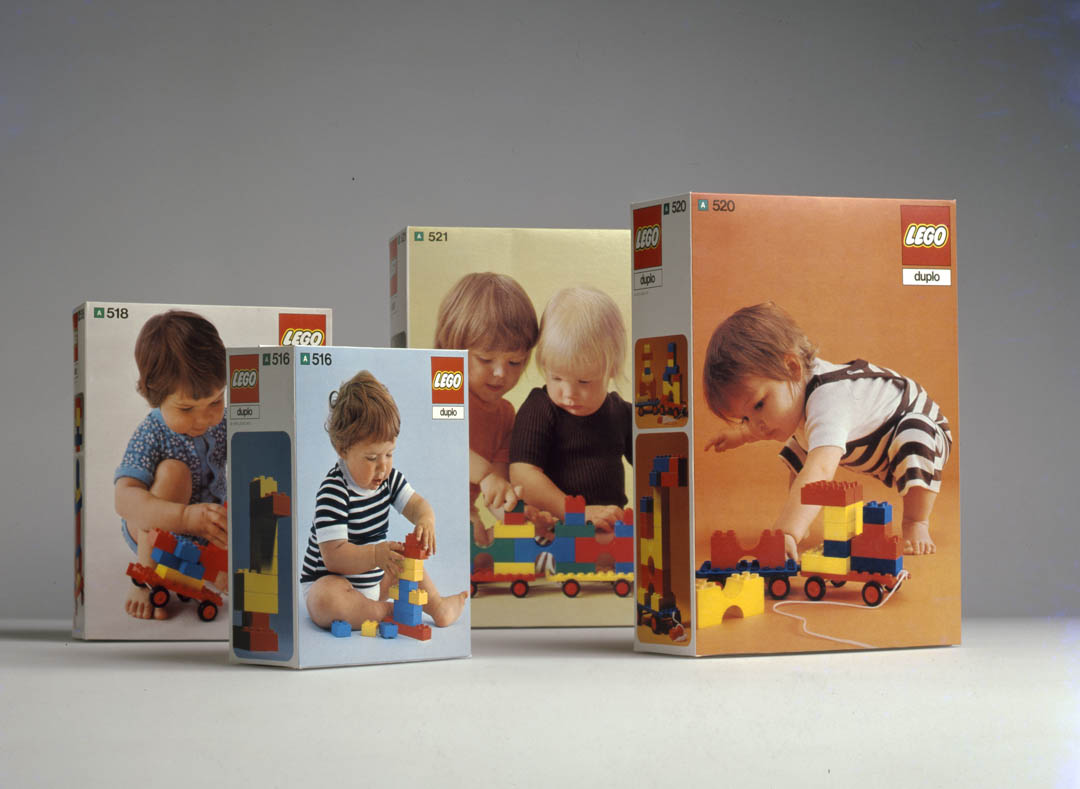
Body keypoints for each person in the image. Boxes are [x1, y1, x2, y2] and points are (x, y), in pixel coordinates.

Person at [702, 302, 951, 557]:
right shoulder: (796, 394)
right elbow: (761, 426)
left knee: (914, 435)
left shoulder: (829, 399)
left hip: (917, 426)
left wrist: (785, 532)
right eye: (744, 418)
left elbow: (820, 469)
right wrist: (741, 435)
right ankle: (799, 518)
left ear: (792, 368)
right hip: (870, 446)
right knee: (797, 448)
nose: (757, 424)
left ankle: (916, 522)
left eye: (759, 405)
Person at [299, 370, 467, 630]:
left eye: (389, 454)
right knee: (325, 599)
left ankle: (437, 605)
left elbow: (417, 505)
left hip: (376, 582)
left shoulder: (389, 480)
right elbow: (334, 557)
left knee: (405, 561)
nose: (383, 467)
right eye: (371, 458)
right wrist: (376, 555)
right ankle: (386, 611)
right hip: (335, 584)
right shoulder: (334, 490)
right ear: (343, 450)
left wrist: (426, 520)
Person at [114, 311, 228, 620]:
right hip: (155, 532)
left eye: (216, 402)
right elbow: (123, 499)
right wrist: (184, 517)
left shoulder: (224, 424)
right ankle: (144, 580)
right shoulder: (152, 432)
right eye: (187, 408)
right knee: (173, 473)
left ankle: (205, 566)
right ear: (155, 395)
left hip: (206, 529)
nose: (204, 419)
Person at [509, 287, 631, 532]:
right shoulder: (540, 409)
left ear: (612, 369)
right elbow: (523, 475)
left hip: (608, 528)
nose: (568, 393)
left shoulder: (620, 413)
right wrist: (576, 512)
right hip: (555, 528)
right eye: (556, 378)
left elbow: (654, 454)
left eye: (584, 381)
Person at [434, 272, 539, 546]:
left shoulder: (506, 415)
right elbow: (443, 446)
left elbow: (496, 489)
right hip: (418, 506)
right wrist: (486, 475)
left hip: (462, 513)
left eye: (515, 362)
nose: (500, 373)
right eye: (485, 359)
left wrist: (514, 512)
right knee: (461, 539)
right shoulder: (442, 390)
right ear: (454, 349)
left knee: (489, 538)